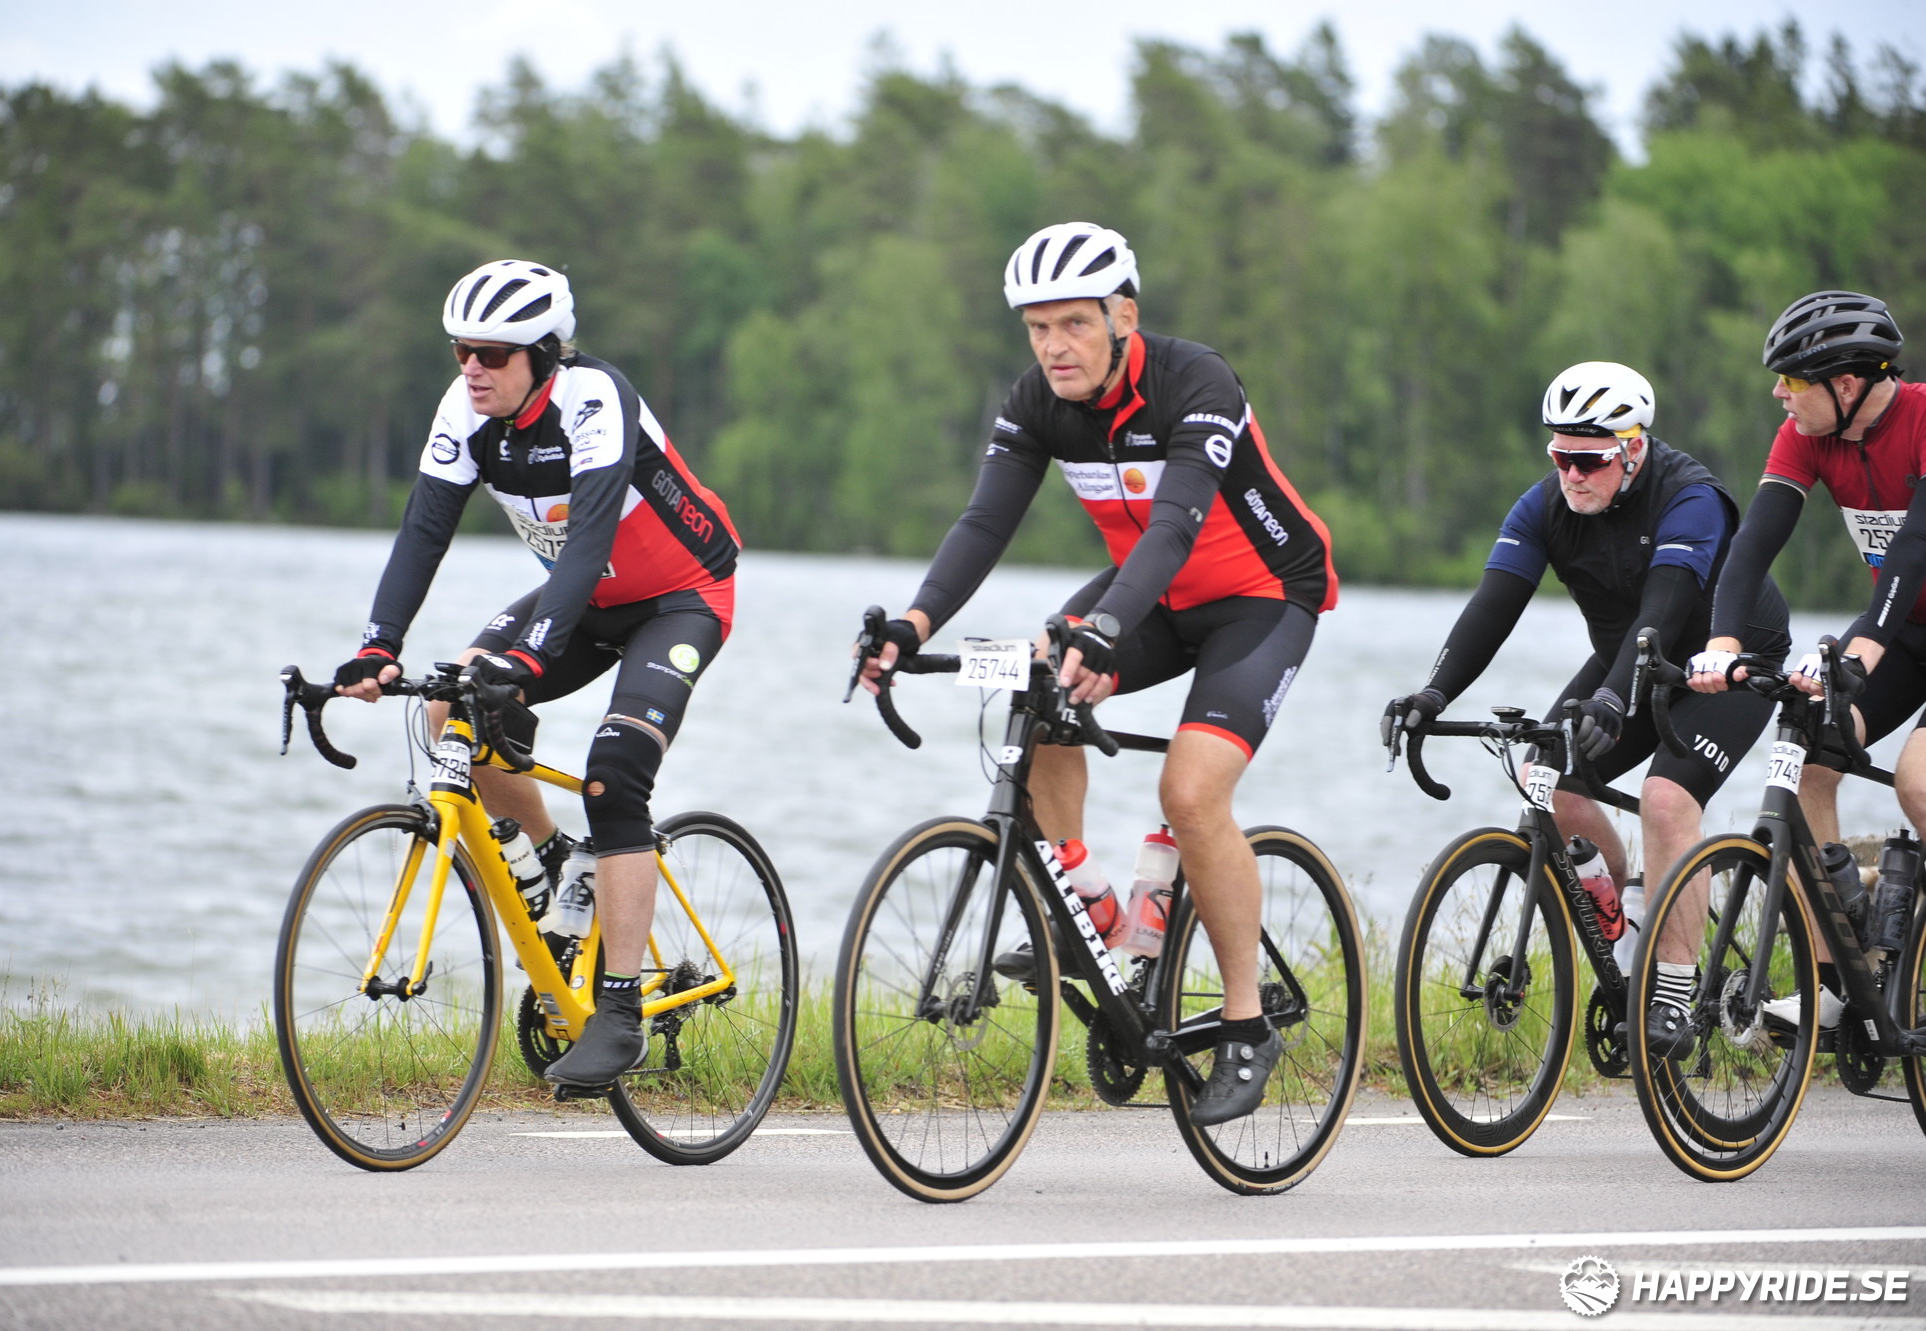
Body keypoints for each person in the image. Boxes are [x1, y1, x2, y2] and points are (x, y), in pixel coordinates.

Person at [855, 222, 1338, 1126]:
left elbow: (1176, 524)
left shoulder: (1197, 382)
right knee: (1035, 692)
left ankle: (1245, 1025)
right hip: (1149, 593)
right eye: (1037, 328)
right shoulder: (1038, 400)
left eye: (1074, 323)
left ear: (1124, 316)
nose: (1054, 347)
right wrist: (912, 625)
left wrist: (1106, 629)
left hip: (1262, 595)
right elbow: (984, 523)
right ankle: (1093, 913)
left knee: (1190, 793)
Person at [332, 258, 740, 1090]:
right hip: (584, 601)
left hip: (681, 598)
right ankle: (555, 864)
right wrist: (378, 645)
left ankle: (619, 1012)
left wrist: (529, 656)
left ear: (545, 354)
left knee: (615, 772)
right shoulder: (466, 411)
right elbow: (423, 533)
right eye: (460, 351)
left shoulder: (595, 400)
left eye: (492, 353)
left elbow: (587, 542)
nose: (472, 368)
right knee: (451, 704)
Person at [1383, 361, 1791, 1057]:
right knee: (1549, 776)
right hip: (1627, 657)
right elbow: (1492, 608)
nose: (1572, 474)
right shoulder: (1543, 507)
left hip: (1724, 663)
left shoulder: (1690, 499)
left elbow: (1661, 615)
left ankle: (1672, 991)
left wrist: (1608, 698)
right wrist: (1432, 694)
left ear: (1633, 449)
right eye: (1560, 457)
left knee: (1666, 800)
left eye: (1589, 460)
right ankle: (1629, 927)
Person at [1688, 290, 1915, 1031]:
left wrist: (1861, 651)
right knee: (1814, 757)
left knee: (1917, 780)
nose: (1778, 393)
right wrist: (1724, 642)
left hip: (1893, 621)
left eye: (1791, 379)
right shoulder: (1807, 434)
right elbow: (1752, 543)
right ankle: (1834, 983)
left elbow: (1914, 552)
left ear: (1845, 385)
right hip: (1907, 631)